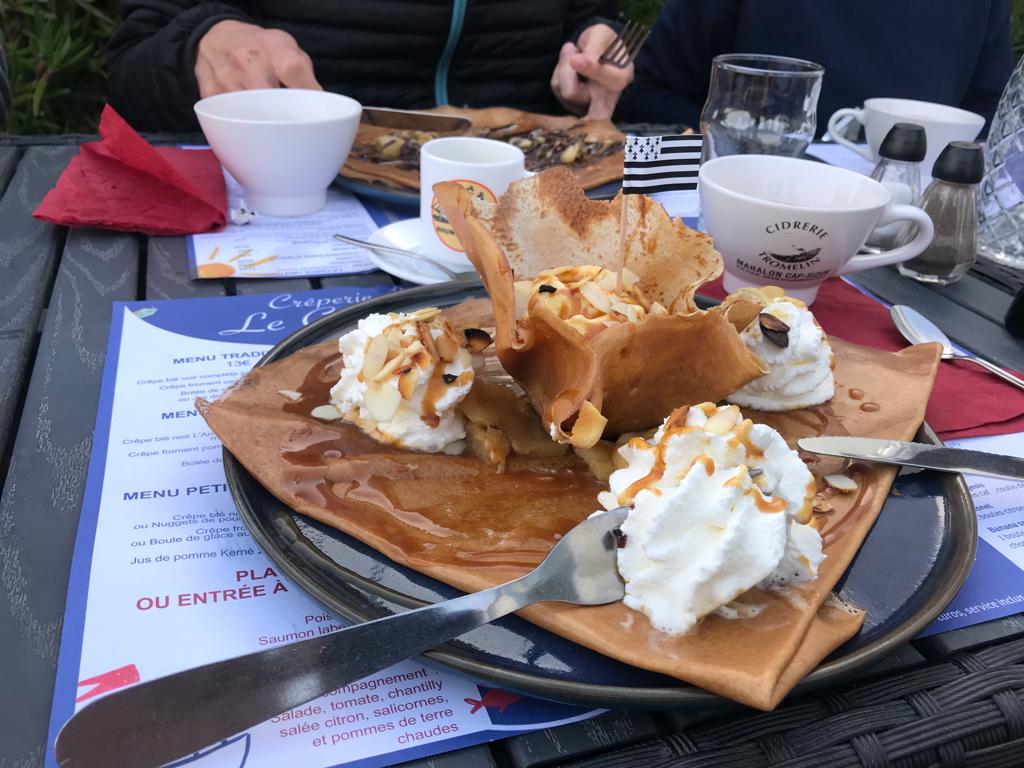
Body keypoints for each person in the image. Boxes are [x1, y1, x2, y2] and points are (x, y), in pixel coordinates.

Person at [107, 1, 634, 132]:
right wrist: (202, 41)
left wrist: (591, 59)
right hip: (303, 205)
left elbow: (589, 16)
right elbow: (133, 64)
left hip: (530, 191)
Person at [619, 0, 1013, 135]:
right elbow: (647, 95)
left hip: (917, 241)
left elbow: (990, 122)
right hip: (749, 224)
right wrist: (745, 144)